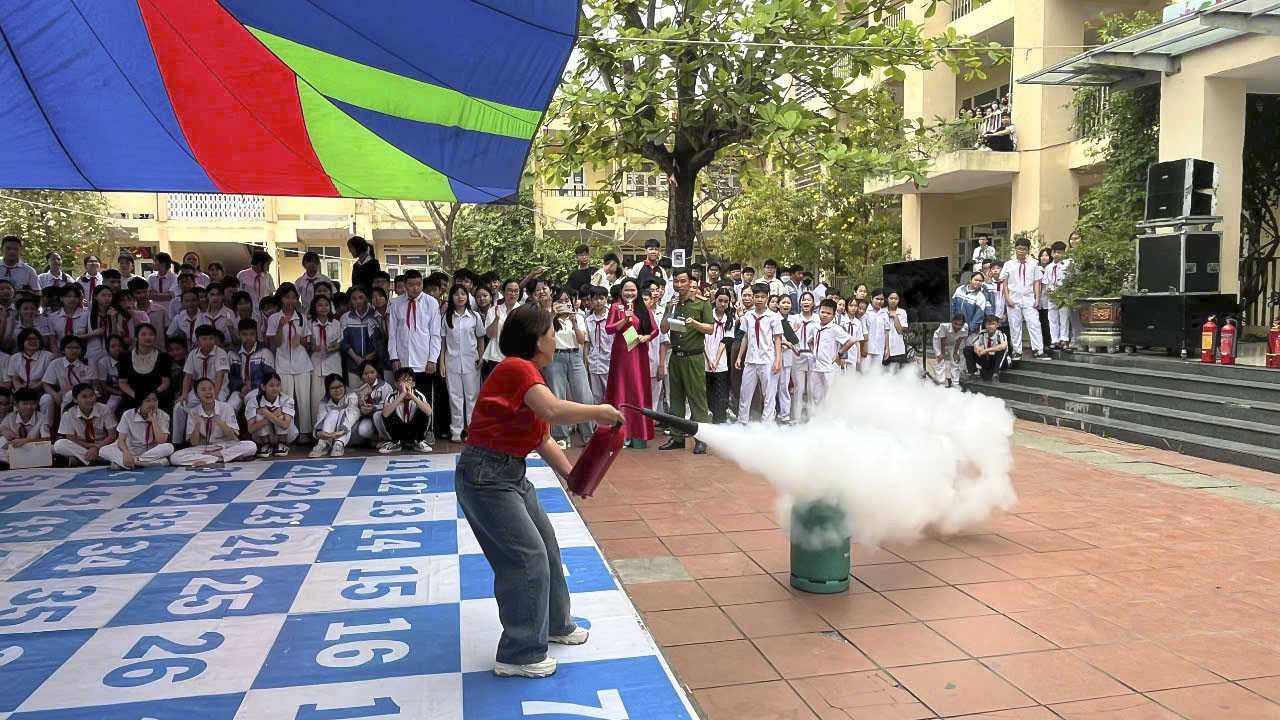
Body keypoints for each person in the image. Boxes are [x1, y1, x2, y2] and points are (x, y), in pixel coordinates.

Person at [457, 302, 625, 678]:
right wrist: (599, 412)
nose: (555, 338)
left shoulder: (531, 376)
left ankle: (554, 625)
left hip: (510, 474)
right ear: (535, 340)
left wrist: (574, 478)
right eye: (551, 332)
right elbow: (553, 412)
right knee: (525, 557)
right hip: (486, 477)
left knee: (546, 547)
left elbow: (543, 437)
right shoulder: (517, 368)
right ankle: (518, 653)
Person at [659, 269, 713, 452]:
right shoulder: (672, 304)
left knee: (697, 399)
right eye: (676, 281)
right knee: (675, 400)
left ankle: (701, 438)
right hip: (676, 357)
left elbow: (710, 328)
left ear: (690, 283)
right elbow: (663, 329)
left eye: (683, 281)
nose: (679, 285)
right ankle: (677, 437)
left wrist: (695, 324)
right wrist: (670, 310)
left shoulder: (702, 303)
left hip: (693, 357)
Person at [387, 270, 442, 450]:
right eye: (411, 285)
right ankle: (405, 434)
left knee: (424, 398)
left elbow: (435, 334)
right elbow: (392, 333)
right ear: (404, 285)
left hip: (424, 358)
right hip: (403, 359)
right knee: (404, 398)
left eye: (418, 284)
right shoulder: (396, 303)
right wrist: (394, 357)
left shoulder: (431, 302)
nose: (415, 288)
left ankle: (427, 431)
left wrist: (433, 359)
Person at [605, 278, 655, 448]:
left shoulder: (643, 308)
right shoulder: (615, 307)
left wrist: (647, 336)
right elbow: (609, 329)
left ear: (638, 292)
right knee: (621, 389)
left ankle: (639, 434)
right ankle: (621, 433)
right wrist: (624, 320)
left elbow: (654, 329)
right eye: (626, 290)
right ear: (621, 292)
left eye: (633, 290)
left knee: (637, 389)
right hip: (621, 354)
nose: (630, 293)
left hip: (638, 353)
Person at [545, 287, 594, 449]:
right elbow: (546, 337)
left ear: (572, 302)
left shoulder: (578, 317)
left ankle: (588, 434)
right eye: (560, 301)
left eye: (567, 301)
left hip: (575, 356)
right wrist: (553, 315)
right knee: (557, 397)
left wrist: (574, 323)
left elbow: (581, 340)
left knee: (584, 397)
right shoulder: (549, 317)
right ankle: (561, 436)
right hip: (555, 357)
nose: (564, 304)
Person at [171, 377, 258, 466]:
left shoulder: (226, 407)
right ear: (197, 395)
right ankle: (219, 458)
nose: (208, 392)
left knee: (251, 446)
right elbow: (194, 443)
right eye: (203, 390)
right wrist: (196, 427)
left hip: (225, 445)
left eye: (210, 389)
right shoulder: (193, 412)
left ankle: (211, 457)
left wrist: (218, 420)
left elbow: (232, 436)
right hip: (204, 447)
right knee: (175, 457)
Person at [268, 283, 314, 442]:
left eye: (294, 297)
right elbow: (275, 344)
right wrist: (280, 327)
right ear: (281, 298)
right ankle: (287, 433)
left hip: (302, 364)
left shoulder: (301, 317)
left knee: (304, 400)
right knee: (286, 400)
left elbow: (307, 342)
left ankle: (305, 433)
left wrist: (300, 339)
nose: (291, 301)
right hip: (282, 365)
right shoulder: (274, 318)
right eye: (287, 297)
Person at [443, 283, 486, 444]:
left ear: (467, 297)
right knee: (455, 397)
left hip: (471, 362)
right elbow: (443, 343)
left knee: (472, 397)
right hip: (452, 362)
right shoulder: (446, 317)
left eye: (463, 293)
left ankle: (471, 430)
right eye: (456, 294)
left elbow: (480, 339)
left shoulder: (474, 316)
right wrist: (441, 364)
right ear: (451, 297)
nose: (460, 297)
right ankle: (456, 430)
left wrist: (481, 357)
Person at [736, 283, 783, 424]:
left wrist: (778, 360)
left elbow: (778, 338)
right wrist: (739, 357)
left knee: (768, 394)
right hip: (750, 360)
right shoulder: (748, 315)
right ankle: (742, 421)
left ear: (767, 297)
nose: (759, 299)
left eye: (762, 297)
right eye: (756, 296)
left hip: (767, 360)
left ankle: (767, 424)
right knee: (745, 393)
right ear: (753, 297)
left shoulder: (773, 317)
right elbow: (746, 336)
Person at [101, 390, 173, 469]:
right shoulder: (128, 414)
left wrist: (154, 421)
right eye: (147, 401)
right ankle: (142, 463)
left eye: (155, 400)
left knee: (169, 447)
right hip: (131, 449)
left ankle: (131, 462)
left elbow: (161, 441)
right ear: (140, 403)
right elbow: (121, 440)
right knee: (103, 450)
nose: (152, 404)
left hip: (151, 452)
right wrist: (126, 453)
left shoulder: (164, 416)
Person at [1000, 236, 1046, 360]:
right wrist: (1007, 298)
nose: (1021, 251)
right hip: (1013, 298)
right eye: (1019, 248)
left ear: (1028, 250)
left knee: (1034, 323)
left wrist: (1037, 299)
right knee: (1015, 325)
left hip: (1029, 298)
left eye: (1024, 249)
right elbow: (1004, 283)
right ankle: (1017, 350)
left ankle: (1038, 350)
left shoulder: (1034, 264)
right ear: (1015, 249)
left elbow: (1037, 282)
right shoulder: (1008, 264)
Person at [53, 383, 117, 466]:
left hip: (103, 445)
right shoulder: (68, 414)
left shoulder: (104, 409)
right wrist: (92, 446)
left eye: (92, 395)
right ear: (75, 399)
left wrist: (97, 447)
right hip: (82, 446)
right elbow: (71, 439)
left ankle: (83, 459)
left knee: (118, 445)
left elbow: (112, 436)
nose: (89, 399)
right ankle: (99, 459)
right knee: (59, 444)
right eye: (84, 397)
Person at [118, 324, 173, 413]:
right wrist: (134, 395)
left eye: (151, 334)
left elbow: (165, 382)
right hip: (133, 397)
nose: (148, 337)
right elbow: (122, 382)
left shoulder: (164, 357)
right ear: (136, 337)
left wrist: (153, 394)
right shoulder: (125, 357)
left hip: (156, 397)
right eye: (143, 334)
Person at [810, 299, 854, 409]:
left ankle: (829, 417)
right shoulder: (815, 327)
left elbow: (852, 340)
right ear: (818, 312)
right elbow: (810, 341)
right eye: (822, 312)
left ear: (834, 315)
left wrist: (839, 353)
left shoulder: (835, 329)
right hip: (817, 367)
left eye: (828, 313)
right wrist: (814, 353)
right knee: (816, 396)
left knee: (829, 397)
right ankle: (817, 416)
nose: (825, 315)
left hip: (830, 368)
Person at [227, 319, 276, 415]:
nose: (248, 338)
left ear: (256, 335)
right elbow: (229, 377)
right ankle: (232, 425)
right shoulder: (232, 353)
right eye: (244, 334)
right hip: (239, 389)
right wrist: (241, 387)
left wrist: (252, 388)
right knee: (229, 407)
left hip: (258, 389)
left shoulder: (264, 352)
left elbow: (269, 377)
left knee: (252, 401)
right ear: (239, 335)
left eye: (252, 334)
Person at [379, 366, 433, 454]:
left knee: (424, 409)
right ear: (396, 384)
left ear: (413, 384)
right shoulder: (391, 396)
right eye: (403, 380)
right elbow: (385, 414)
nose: (406, 383)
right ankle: (395, 443)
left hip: (414, 429)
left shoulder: (418, 395)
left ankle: (419, 441)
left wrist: (412, 396)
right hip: (398, 430)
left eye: (409, 380)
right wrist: (402, 395)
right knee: (387, 410)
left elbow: (429, 412)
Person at [43, 335, 96, 422]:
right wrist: (55, 395)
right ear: (63, 350)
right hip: (60, 393)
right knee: (46, 399)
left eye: (77, 347)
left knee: (69, 395)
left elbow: (86, 385)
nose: (74, 350)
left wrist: (67, 391)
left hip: (84, 392)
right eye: (70, 347)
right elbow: (46, 384)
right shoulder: (55, 363)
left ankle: (64, 426)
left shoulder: (88, 362)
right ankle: (47, 426)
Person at [308, 294, 343, 426]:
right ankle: (317, 427)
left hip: (333, 362)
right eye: (320, 305)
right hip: (316, 363)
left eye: (326, 305)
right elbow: (306, 343)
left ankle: (336, 426)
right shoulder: (310, 324)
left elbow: (341, 342)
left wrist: (335, 347)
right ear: (314, 307)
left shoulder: (336, 323)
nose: (323, 308)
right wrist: (313, 347)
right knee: (316, 399)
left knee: (335, 396)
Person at [246, 372, 298, 458]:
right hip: (262, 437)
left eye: (278, 385)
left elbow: (285, 425)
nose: (275, 388)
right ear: (263, 387)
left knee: (282, 417)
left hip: (287, 435)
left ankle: (282, 444)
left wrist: (267, 413)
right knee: (259, 416)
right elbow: (251, 429)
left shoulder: (287, 399)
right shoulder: (253, 402)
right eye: (271, 385)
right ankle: (265, 444)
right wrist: (272, 414)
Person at [340, 286, 382, 388]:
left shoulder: (376, 315)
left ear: (367, 298)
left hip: (374, 365)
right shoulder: (346, 317)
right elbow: (344, 342)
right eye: (354, 298)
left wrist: (372, 354)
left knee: (374, 394)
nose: (358, 301)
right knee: (355, 394)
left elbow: (382, 339)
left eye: (361, 297)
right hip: (353, 365)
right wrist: (357, 358)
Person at [705, 287, 735, 424]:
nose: (722, 304)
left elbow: (725, 341)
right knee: (708, 393)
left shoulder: (730, 320)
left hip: (721, 362)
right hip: (705, 359)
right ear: (715, 300)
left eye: (726, 301)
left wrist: (716, 360)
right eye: (720, 300)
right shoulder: (707, 316)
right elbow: (702, 339)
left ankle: (720, 422)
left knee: (721, 394)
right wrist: (709, 358)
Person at [312, 373, 359, 458]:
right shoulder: (324, 402)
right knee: (333, 412)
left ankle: (338, 445)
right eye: (333, 388)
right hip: (332, 435)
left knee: (343, 411)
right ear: (328, 390)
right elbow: (320, 420)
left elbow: (353, 414)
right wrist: (319, 433)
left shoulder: (352, 396)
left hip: (352, 432)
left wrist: (342, 430)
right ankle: (323, 444)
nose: (337, 390)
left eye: (340, 386)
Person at [481, 280, 520, 382]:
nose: (513, 293)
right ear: (503, 292)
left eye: (516, 291)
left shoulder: (523, 311)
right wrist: (497, 319)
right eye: (510, 290)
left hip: (516, 358)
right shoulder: (494, 310)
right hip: (496, 357)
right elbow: (490, 335)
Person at [0, 388, 50, 467]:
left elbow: (47, 439)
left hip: (33, 451)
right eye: (25, 403)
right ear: (16, 405)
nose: (29, 407)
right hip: (14, 451)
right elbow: (2, 431)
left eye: (33, 403)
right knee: (2, 439)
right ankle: (5, 463)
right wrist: (3, 432)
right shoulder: (10, 418)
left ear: (37, 403)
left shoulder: (41, 418)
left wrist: (27, 440)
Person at [790, 292, 819, 422]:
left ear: (813, 304)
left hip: (813, 356)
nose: (806, 302)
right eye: (803, 300)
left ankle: (812, 417)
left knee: (812, 389)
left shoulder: (818, 319)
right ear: (800, 303)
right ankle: (796, 417)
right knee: (799, 388)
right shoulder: (794, 318)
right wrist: (793, 330)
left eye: (809, 300)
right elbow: (786, 337)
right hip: (798, 355)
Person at [582, 286, 612, 403]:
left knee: (610, 394)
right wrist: (585, 361)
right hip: (594, 361)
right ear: (591, 300)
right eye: (595, 299)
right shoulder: (588, 320)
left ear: (606, 299)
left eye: (601, 298)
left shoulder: (612, 317)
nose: (598, 302)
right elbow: (587, 342)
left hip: (609, 360)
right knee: (596, 396)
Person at [354, 360, 392, 448]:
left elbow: (389, 405)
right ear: (361, 375)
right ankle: (374, 439)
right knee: (363, 430)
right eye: (365, 373)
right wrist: (361, 406)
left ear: (377, 372)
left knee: (377, 415)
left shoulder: (385, 386)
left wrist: (373, 408)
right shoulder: (360, 389)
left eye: (372, 372)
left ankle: (384, 439)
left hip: (382, 418)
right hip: (368, 417)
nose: (369, 376)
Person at [1043, 241, 1071, 350]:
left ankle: (1064, 339)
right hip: (1052, 296)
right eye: (1054, 252)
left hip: (1064, 295)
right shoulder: (1049, 267)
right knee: (1052, 318)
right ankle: (1054, 340)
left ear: (1064, 253)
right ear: (1051, 253)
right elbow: (1046, 282)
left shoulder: (1068, 264)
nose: (1057, 255)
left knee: (1064, 317)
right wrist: (1047, 290)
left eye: (1060, 252)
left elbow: (1071, 280)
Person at [966, 315, 1010, 381]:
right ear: (985, 325)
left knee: (1001, 350)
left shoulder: (1000, 334)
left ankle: (996, 374)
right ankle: (973, 373)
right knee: (967, 349)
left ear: (997, 325)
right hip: (988, 360)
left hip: (1001, 362)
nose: (990, 326)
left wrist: (987, 350)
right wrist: (977, 348)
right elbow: (975, 343)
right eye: (988, 324)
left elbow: (1003, 346)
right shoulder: (983, 333)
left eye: (993, 324)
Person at [47, 284, 88, 352]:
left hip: (83, 352)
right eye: (68, 296)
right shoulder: (53, 317)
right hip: (61, 353)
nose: (72, 299)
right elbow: (52, 340)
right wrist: (56, 354)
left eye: (75, 296)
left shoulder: (86, 314)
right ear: (61, 298)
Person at [933, 314, 969, 388]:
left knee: (955, 361)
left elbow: (959, 340)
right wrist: (942, 354)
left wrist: (955, 353)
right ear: (952, 322)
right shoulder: (944, 326)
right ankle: (940, 383)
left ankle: (955, 383)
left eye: (960, 325)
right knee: (941, 360)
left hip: (953, 341)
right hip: (939, 340)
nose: (957, 326)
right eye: (955, 324)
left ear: (963, 324)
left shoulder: (965, 327)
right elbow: (943, 340)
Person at [96, 334, 126, 414]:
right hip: (114, 393)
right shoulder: (103, 362)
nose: (117, 348)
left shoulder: (130, 360)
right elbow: (104, 385)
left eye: (119, 346)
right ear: (108, 349)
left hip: (130, 392)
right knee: (110, 407)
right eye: (113, 346)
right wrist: (120, 393)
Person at [863, 288, 888, 370]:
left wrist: (887, 349)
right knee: (865, 372)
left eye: (882, 299)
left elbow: (886, 332)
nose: (879, 301)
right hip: (867, 349)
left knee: (876, 373)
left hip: (879, 348)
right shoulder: (865, 312)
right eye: (877, 299)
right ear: (871, 298)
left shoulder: (884, 314)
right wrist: (864, 348)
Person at [883, 290, 909, 368]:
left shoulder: (902, 312)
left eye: (896, 299)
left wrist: (895, 316)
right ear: (887, 299)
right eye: (891, 298)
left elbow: (900, 331)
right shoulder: (882, 312)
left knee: (898, 372)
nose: (893, 301)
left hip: (898, 347)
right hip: (884, 347)